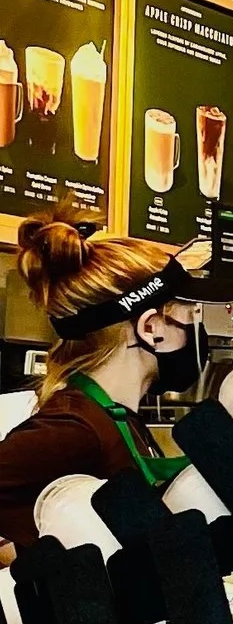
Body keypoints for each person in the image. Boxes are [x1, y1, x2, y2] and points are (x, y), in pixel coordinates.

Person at [0, 219, 213, 556]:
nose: (198, 332)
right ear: (152, 328)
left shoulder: (119, 418)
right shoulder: (72, 430)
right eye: (192, 315)